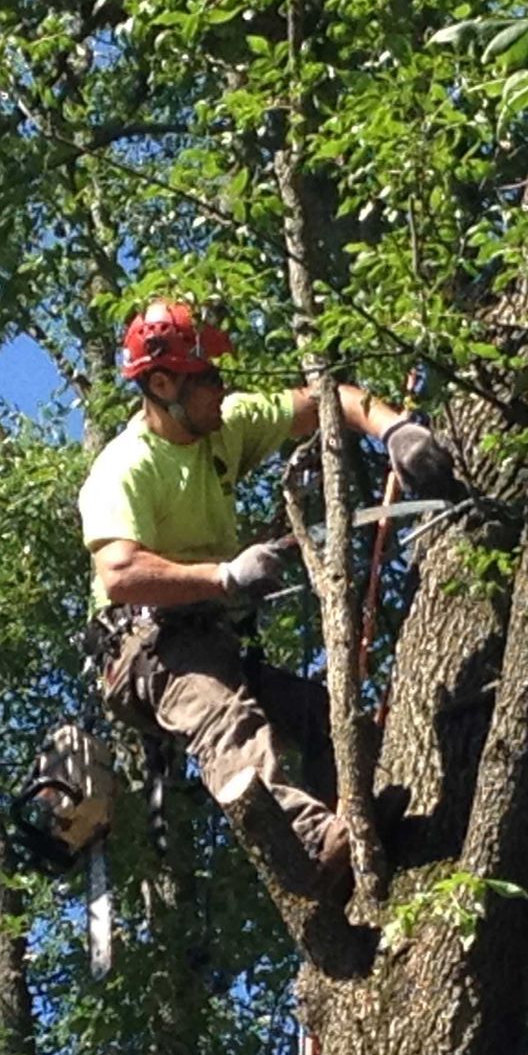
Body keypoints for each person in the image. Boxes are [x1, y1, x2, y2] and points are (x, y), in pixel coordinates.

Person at [77, 299, 457, 891]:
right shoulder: (126, 466)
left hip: (209, 638)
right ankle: (308, 846)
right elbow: (119, 574)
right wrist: (224, 576)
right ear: (160, 382)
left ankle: (350, 831)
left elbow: (326, 402)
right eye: (207, 379)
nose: (220, 389)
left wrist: (395, 430)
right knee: (228, 722)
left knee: (329, 716)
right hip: (145, 648)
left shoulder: (223, 425)